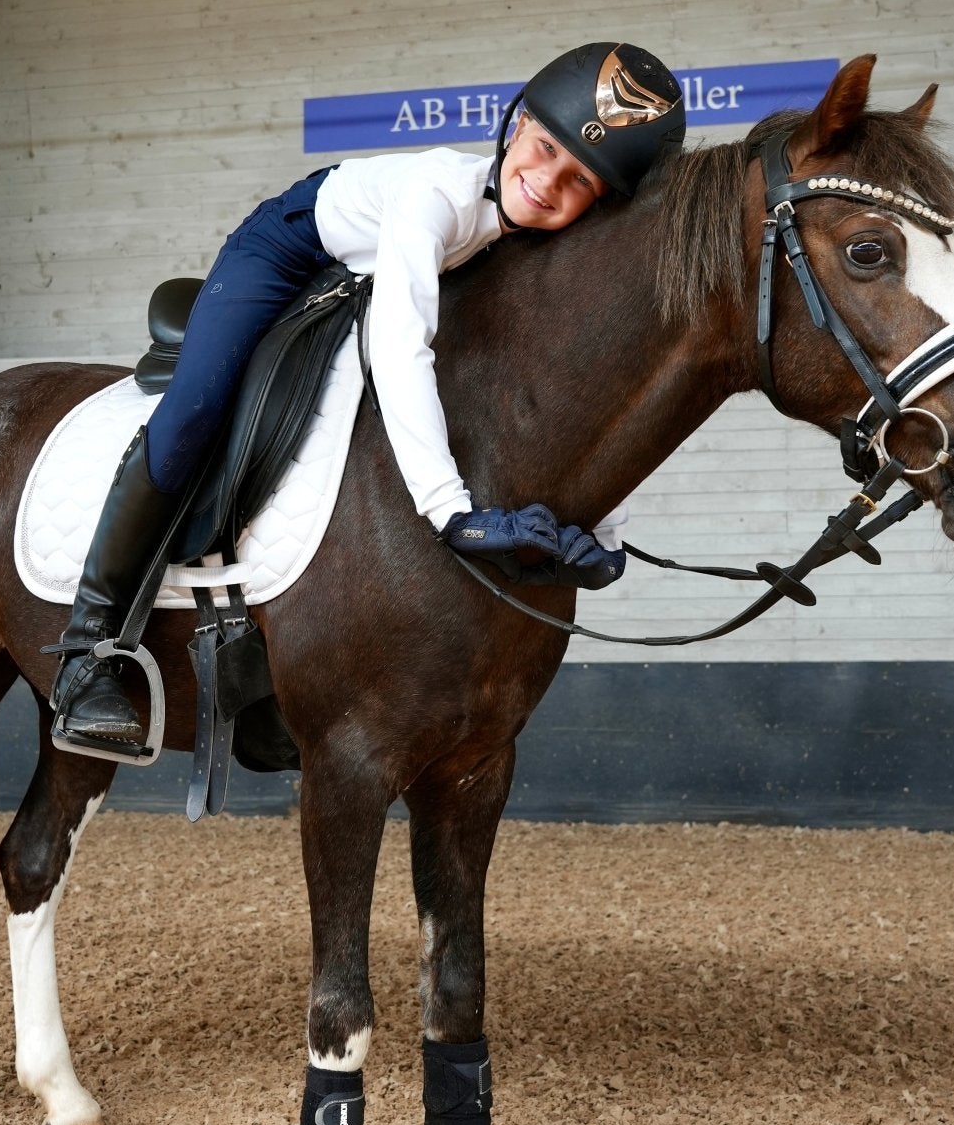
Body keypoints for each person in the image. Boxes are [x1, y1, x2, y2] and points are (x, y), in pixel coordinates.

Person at [49, 41, 685, 753]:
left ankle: (264, 674)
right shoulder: (436, 193)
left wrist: (605, 532)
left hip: (366, 269)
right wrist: (449, 511)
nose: (545, 182)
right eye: (542, 149)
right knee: (197, 409)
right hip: (290, 249)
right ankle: (89, 650)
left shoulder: (529, 243)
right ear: (515, 127)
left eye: (577, 183)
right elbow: (399, 349)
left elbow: (590, 389)